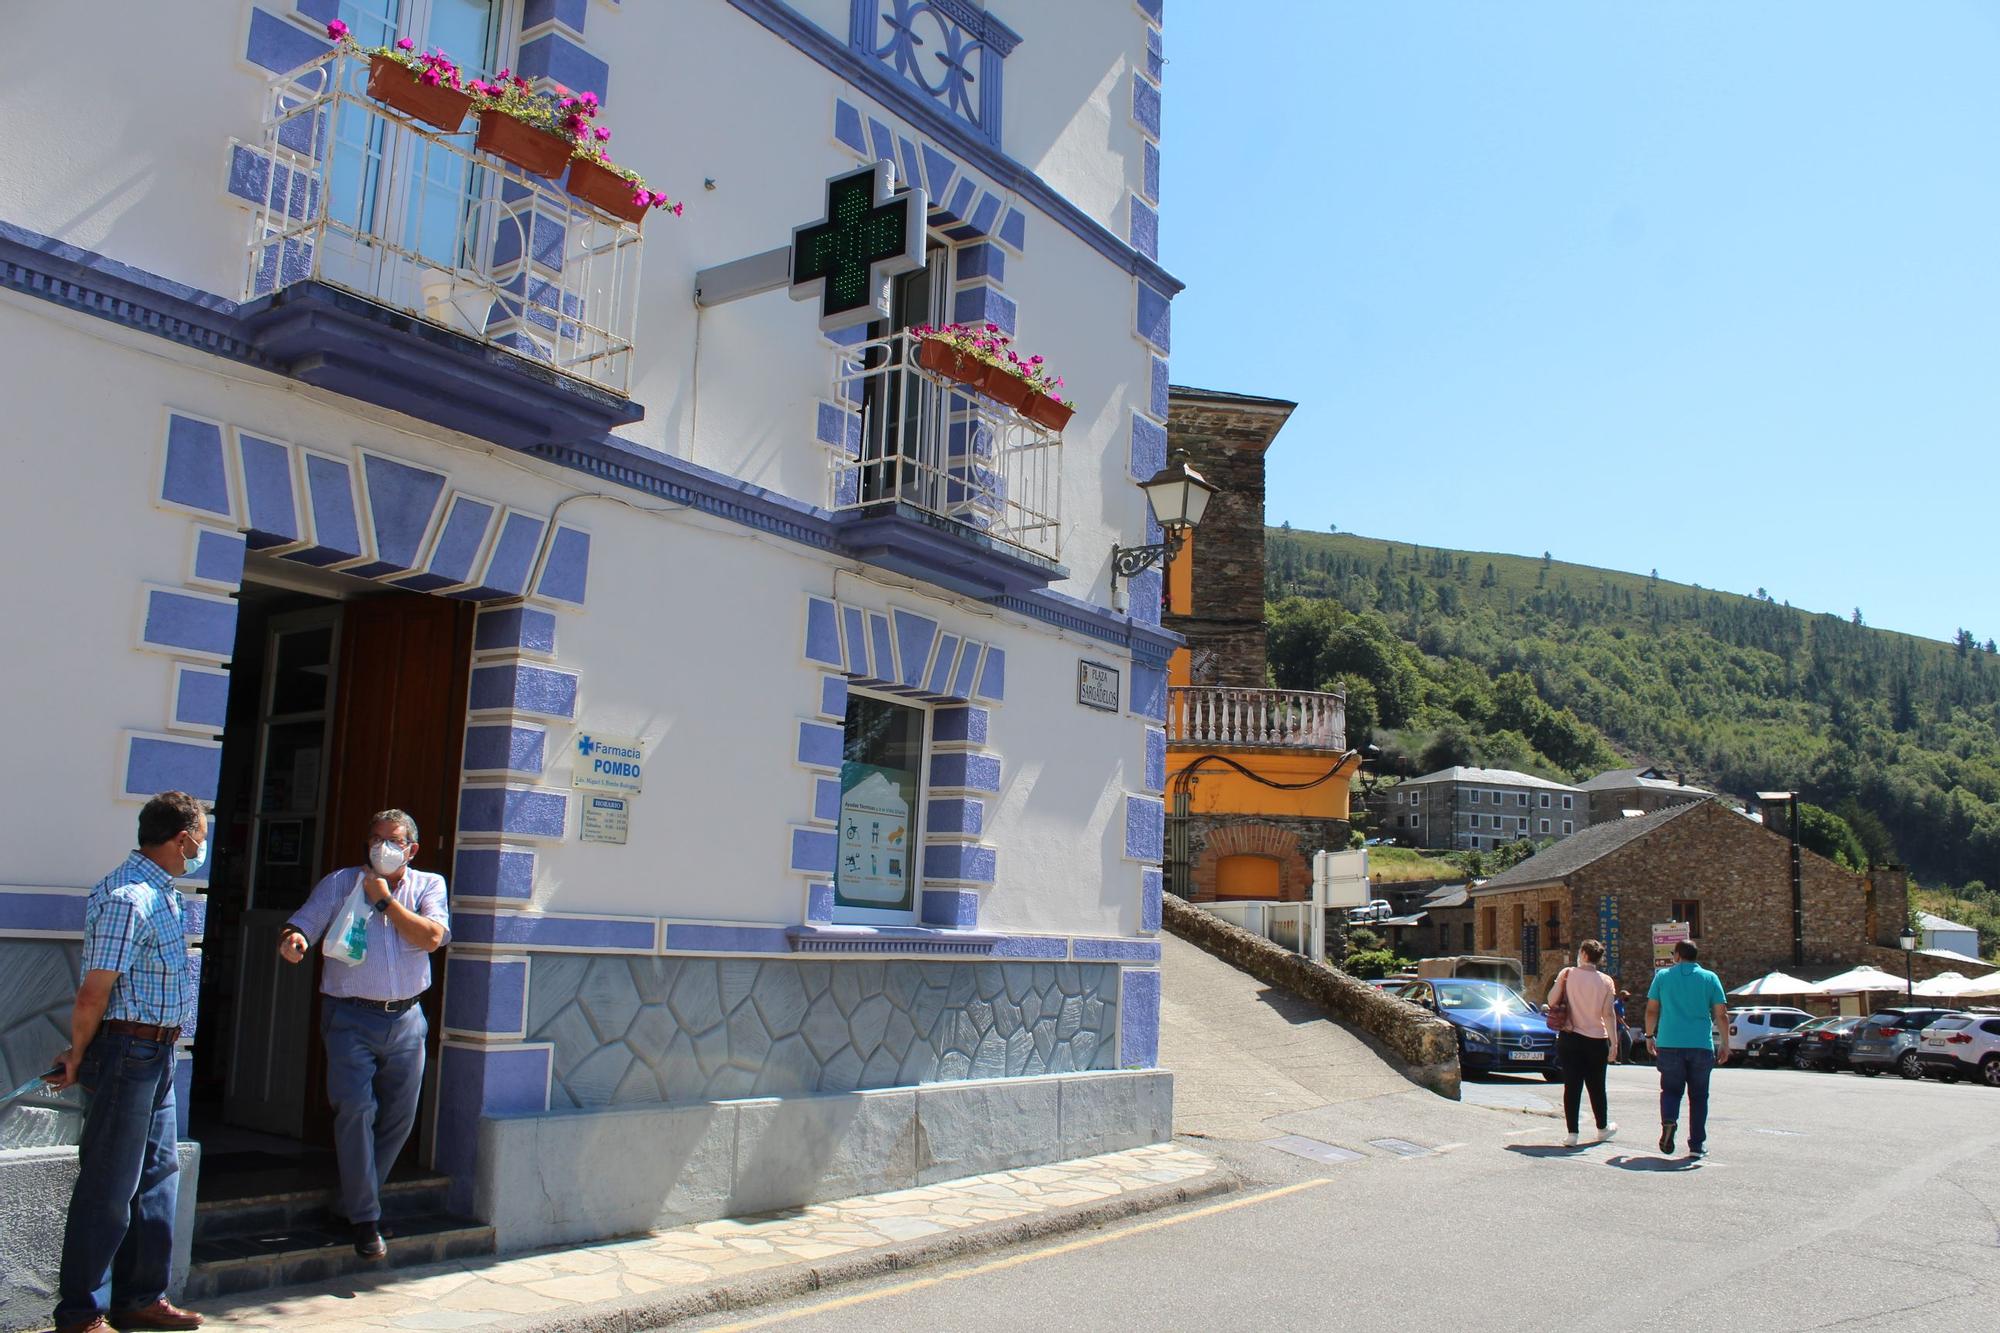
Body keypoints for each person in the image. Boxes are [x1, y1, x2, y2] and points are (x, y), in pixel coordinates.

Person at [49, 791, 209, 1333]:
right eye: (201, 835)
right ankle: (81, 1312)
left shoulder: (164, 894)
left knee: (158, 1177)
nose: (203, 846)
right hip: (127, 1052)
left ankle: (141, 1296)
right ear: (182, 837)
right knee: (109, 1186)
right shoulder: (127, 896)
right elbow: (94, 993)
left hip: (160, 1052)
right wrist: (77, 1053)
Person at [278, 810, 449, 1260]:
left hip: (407, 1019)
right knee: (355, 1108)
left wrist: (386, 903)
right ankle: (365, 1220)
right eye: (374, 839)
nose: (380, 848)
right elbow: (306, 921)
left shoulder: (428, 885)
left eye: (391, 841)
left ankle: (350, 1202)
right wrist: (294, 939)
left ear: (411, 849)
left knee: (399, 1117)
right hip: (350, 1016)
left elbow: (433, 937)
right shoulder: (341, 882)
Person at [1646, 938, 1730, 1157]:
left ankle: (1669, 1121)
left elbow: (1652, 1010)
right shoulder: (1710, 978)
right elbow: (1721, 1014)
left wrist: (1648, 1036)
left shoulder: (1663, 977)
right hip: (1700, 1044)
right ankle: (1696, 1145)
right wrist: (1725, 1044)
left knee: (1671, 1091)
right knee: (1699, 1096)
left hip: (1669, 1042)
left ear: (1677, 955)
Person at [1549, 940, 1620, 1147]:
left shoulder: (1567, 973)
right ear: (1599, 958)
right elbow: (1608, 1013)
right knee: (1597, 1086)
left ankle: (1572, 1133)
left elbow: (1552, 1000)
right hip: (1597, 1038)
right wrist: (1614, 1043)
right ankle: (1602, 1128)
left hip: (1570, 1037)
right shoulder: (1606, 981)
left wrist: (1560, 982)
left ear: (1582, 953)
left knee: (1572, 1085)